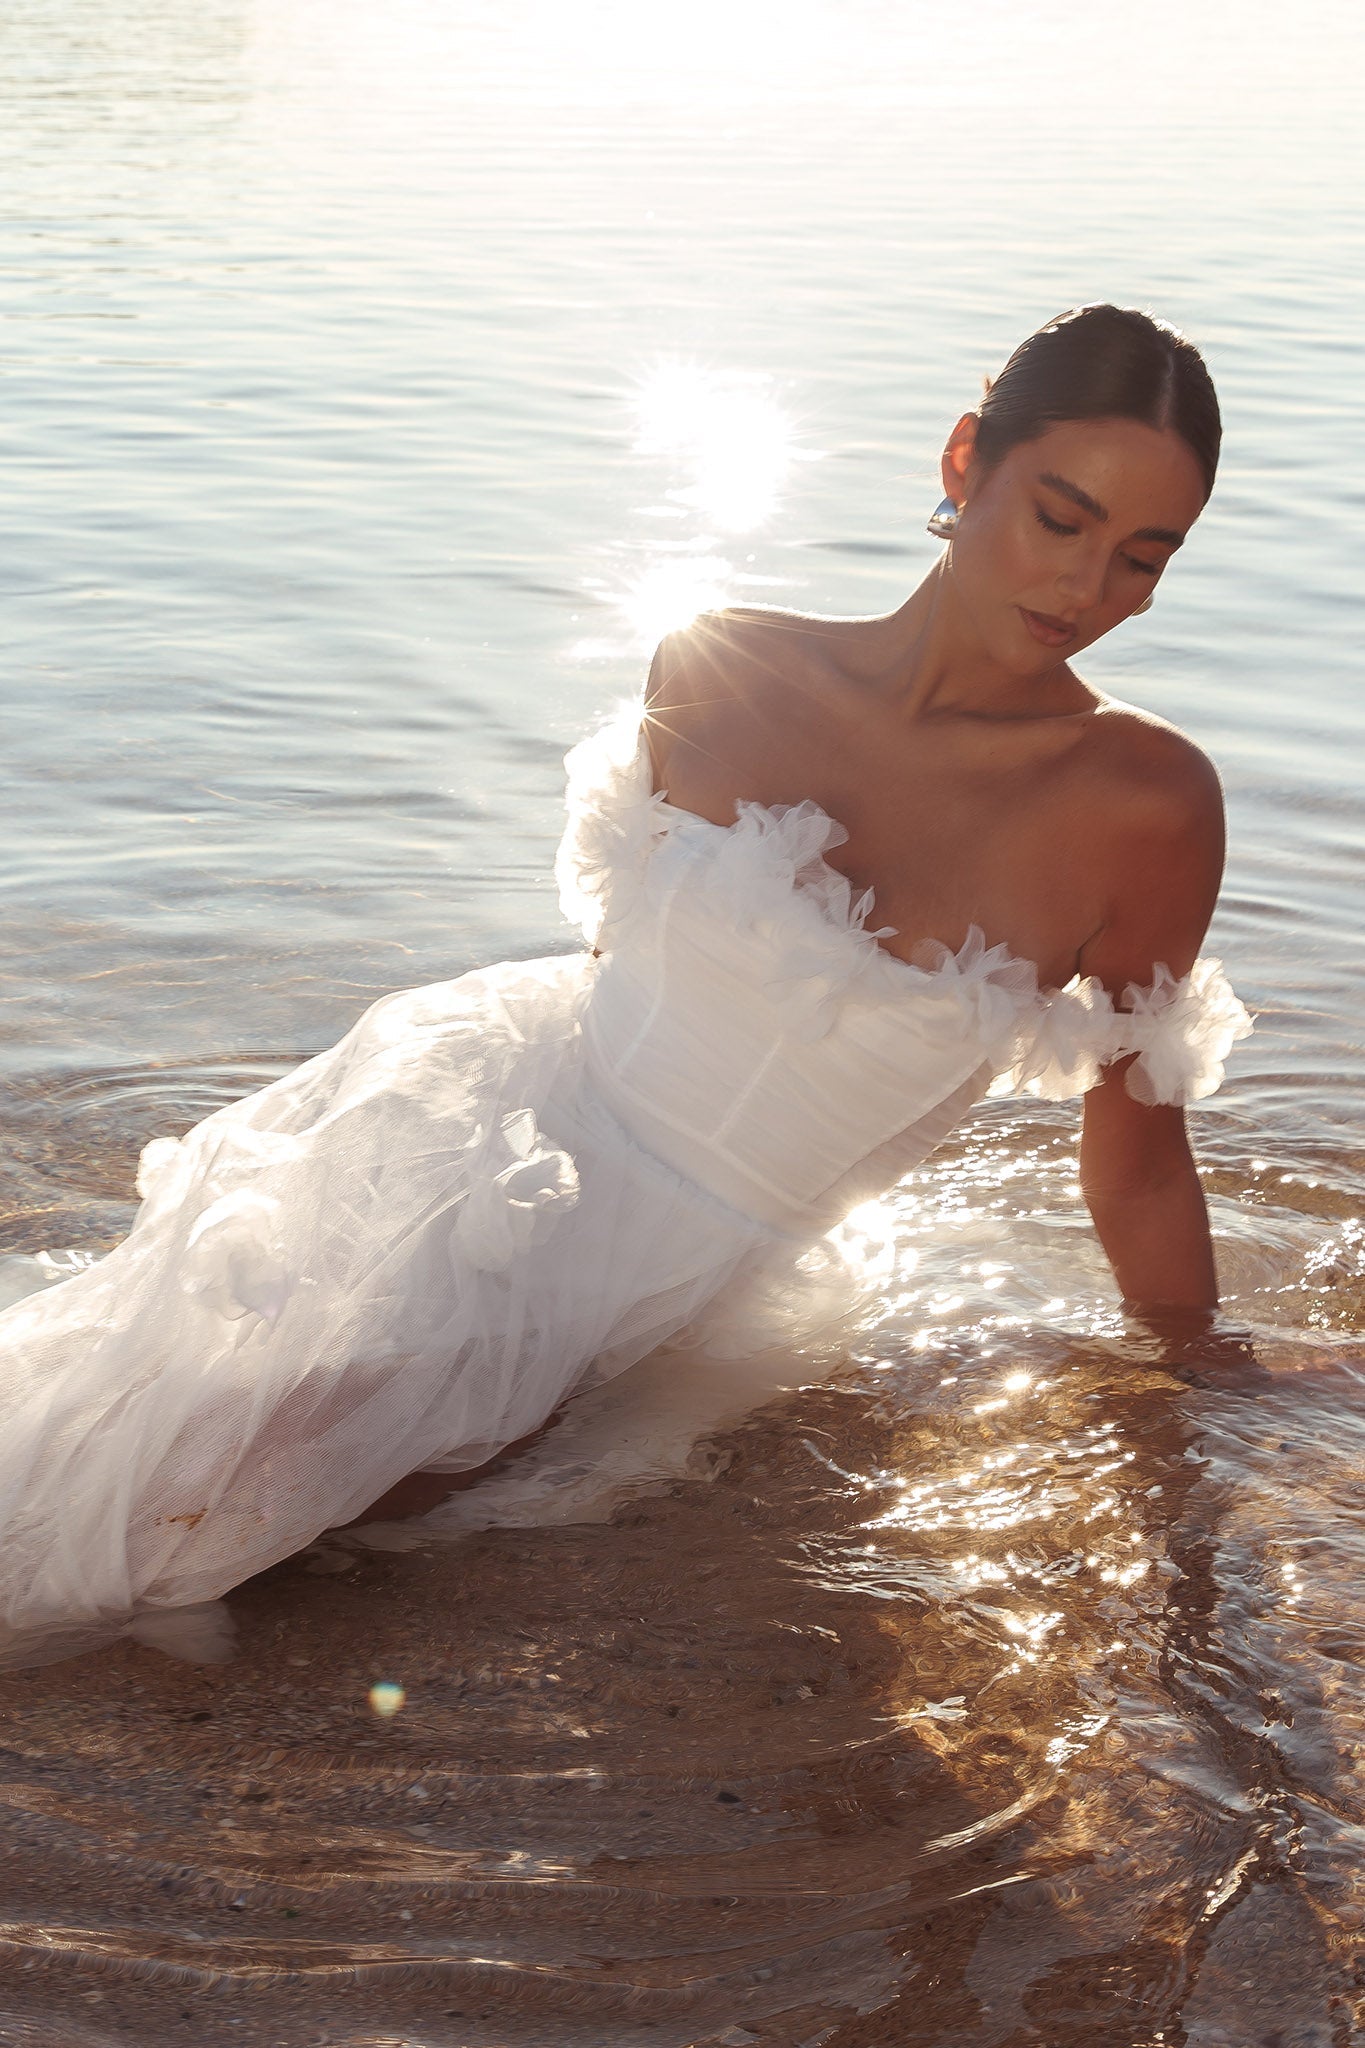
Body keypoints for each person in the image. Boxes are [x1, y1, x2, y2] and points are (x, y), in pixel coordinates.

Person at [0, 304, 1251, 1671]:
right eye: (1059, 519)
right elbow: (629, 980)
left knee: (255, 1507)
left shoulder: (1142, 803)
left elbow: (1133, 1157)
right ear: (964, 462)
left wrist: (1193, 1379)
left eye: (1143, 558)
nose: (1087, 590)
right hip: (499, 1143)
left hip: (716, 1264)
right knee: (166, 1479)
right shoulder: (719, 662)